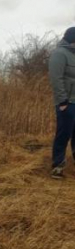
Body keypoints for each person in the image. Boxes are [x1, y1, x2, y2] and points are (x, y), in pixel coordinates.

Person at [49, 26, 75, 179]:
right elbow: (56, 79)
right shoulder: (59, 54)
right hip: (67, 102)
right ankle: (57, 166)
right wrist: (62, 101)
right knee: (63, 134)